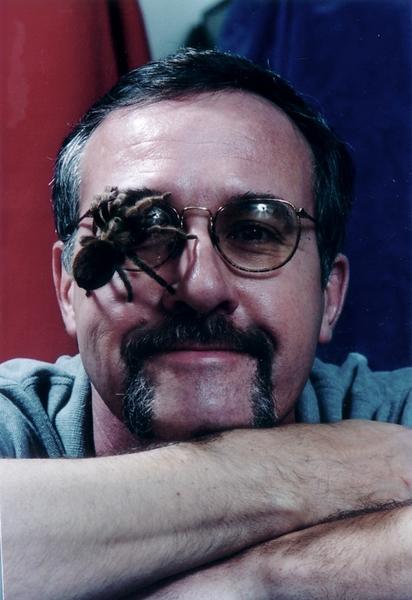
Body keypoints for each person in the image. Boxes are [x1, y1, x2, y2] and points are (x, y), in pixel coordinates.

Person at [0, 49, 411, 599]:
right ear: (69, 288)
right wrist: (300, 472)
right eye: (148, 234)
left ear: (329, 296)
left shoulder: (394, 409)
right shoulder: (15, 423)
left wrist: (259, 581)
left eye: (258, 231)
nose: (199, 288)